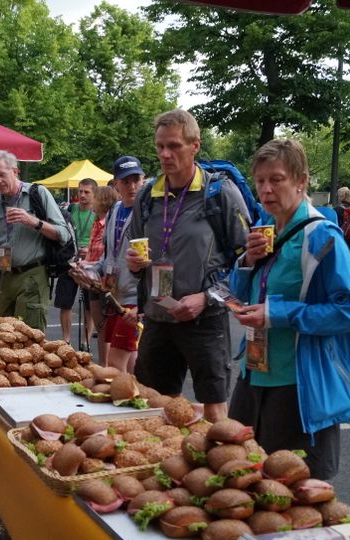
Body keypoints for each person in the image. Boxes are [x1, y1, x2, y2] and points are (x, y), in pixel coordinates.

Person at [227, 139, 350, 480]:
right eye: (260, 180)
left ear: (301, 180)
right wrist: (246, 264)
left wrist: (278, 313)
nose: (266, 189)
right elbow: (237, 293)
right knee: (242, 479)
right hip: (253, 377)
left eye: (276, 179)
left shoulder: (322, 236)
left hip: (298, 387)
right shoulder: (265, 231)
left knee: (293, 497)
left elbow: (346, 311)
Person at [126, 109, 249, 423]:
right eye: (160, 146)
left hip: (205, 321)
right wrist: (135, 265)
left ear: (195, 145)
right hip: (158, 316)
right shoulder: (146, 196)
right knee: (155, 406)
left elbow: (247, 264)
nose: (165, 154)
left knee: (214, 410)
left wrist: (206, 298)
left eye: (174, 146)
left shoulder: (220, 194)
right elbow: (136, 255)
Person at [0, 149, 68, 331]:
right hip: (5, 275)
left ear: (15, 172)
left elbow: (63, 233)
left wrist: (33, 221)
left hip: (33, 276)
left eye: (2, 174)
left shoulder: (37, 193)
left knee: (30, 339)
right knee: (0, 336)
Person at [74, 156, 145, 373]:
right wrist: (90, 269)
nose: (132, 186)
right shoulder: (114, 210)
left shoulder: (148, 211)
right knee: (130, 359)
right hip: (115, 296)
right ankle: (135, 398)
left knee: (115, 363)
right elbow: (109, 258)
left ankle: (126, 399)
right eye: (126, 181)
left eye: (136, 179)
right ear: (116, 184)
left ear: (143, 180)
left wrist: (145, 304)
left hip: (135, 298)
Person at [78, 184, 119, 366]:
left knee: (107, 327)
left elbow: (107, 255)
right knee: (100, 327)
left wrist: (88, 265)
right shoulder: (96, 221)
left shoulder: (108, 224)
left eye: (91, 195)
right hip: (93, 278)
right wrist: (84, 264)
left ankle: (108, 366)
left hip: (104, 282)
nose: (89, 199)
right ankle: (104, 365)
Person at [53, 178, 97, 349]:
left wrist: (90, 249)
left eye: (87, 192)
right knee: (65, 303)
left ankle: (85, 343)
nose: (82, 195)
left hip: (90, 262)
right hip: (69, 261)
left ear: (94, 194)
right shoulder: (70, 209)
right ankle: (66, 341)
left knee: (89, 304)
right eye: (80, 191)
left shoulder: (97, 213)